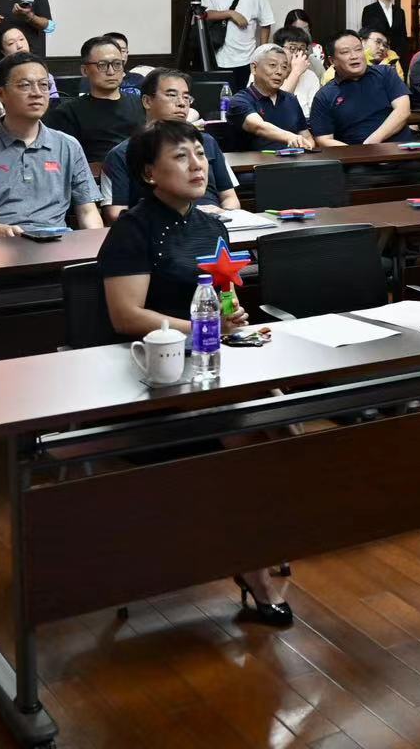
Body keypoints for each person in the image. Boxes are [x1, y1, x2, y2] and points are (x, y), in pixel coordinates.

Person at [97, 118, 289, 626]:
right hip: (151, 375)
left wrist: (231, 316)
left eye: (200, 154)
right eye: (180, 157)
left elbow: (220, 299)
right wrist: (203, 326)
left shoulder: (211, 224)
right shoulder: (132, 229)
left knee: (285, 421)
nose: (197, 165)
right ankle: (253, 568)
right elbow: (126, 316)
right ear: (149, 173)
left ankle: (260, 539)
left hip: (209, 366)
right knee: (247, 437)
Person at [0, 51, 102, 238]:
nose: (37, 93)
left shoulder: (67, 146)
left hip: (56, 243)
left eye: (44, 85)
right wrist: (2, 231)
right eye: (25, 85)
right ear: (1, 94)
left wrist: (96, 245)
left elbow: (87, 211)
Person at [101, 69, 240, 220]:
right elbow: (115, 213)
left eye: (186, 97)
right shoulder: (122, 153)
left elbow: (230, 198)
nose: (181, 103)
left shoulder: (207, 142)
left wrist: (223, 214)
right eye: (172, 95)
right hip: (155, 228)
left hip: (213, 223)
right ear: (147, 101)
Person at [45, 35, 147, 168]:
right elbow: (60, 161)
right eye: (102, 65)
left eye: (117, 64)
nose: (111, 71)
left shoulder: (141, 104)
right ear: (85, 70)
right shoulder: (67, 112)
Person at [311, 31, 412, 147]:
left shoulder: (386, 73)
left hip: (400, 149)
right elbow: (323, 139)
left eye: (358, 49)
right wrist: (357, 152)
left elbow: (403, 110)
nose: (354, 56)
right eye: (345, 52)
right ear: (332, 61)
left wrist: (372, 142)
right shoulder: (324, 95)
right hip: (355, 155)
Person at [229, 44, 314, 152]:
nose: (279, 72)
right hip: (255, 162)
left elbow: (306, 136)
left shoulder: (291, 100)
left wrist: (307, 147)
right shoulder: (240, 100)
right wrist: (290, 137)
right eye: (273, 65)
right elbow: (259, 127)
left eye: (284, 67)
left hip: (293, 160)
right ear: (254, 68)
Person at [0, 22, 59, 101]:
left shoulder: (43, 72)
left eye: (21, 39)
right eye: (11, 43)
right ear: (3, 51)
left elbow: (55, 102)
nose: (20, 46)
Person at [359, 0, 409, 67]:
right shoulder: (369, 10)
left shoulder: (400, 11)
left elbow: (403, 36)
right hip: (376, 56)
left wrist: (401, 54)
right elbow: (367, 34)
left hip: (397, 57)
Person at [274, 26, 323, 116]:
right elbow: (276, 107)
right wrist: (296, 72)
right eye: (292, 48)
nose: (298, 53)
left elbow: (315, 112)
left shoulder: (310, 76)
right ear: (278, 49)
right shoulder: (265, 72)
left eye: (302, 49)